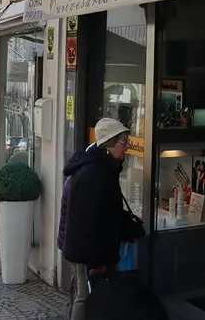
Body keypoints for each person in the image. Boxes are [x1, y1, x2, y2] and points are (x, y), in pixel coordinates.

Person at [58, 118, 130, 320]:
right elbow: (88, 220)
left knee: (82, 291)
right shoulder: (94, 172)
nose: (127, 148)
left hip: (85, 247)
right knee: (84, 294)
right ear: (109, 145)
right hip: (85, 250)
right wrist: (97, 260)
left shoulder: (101, 167)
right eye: (123, 143)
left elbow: (106, 212)